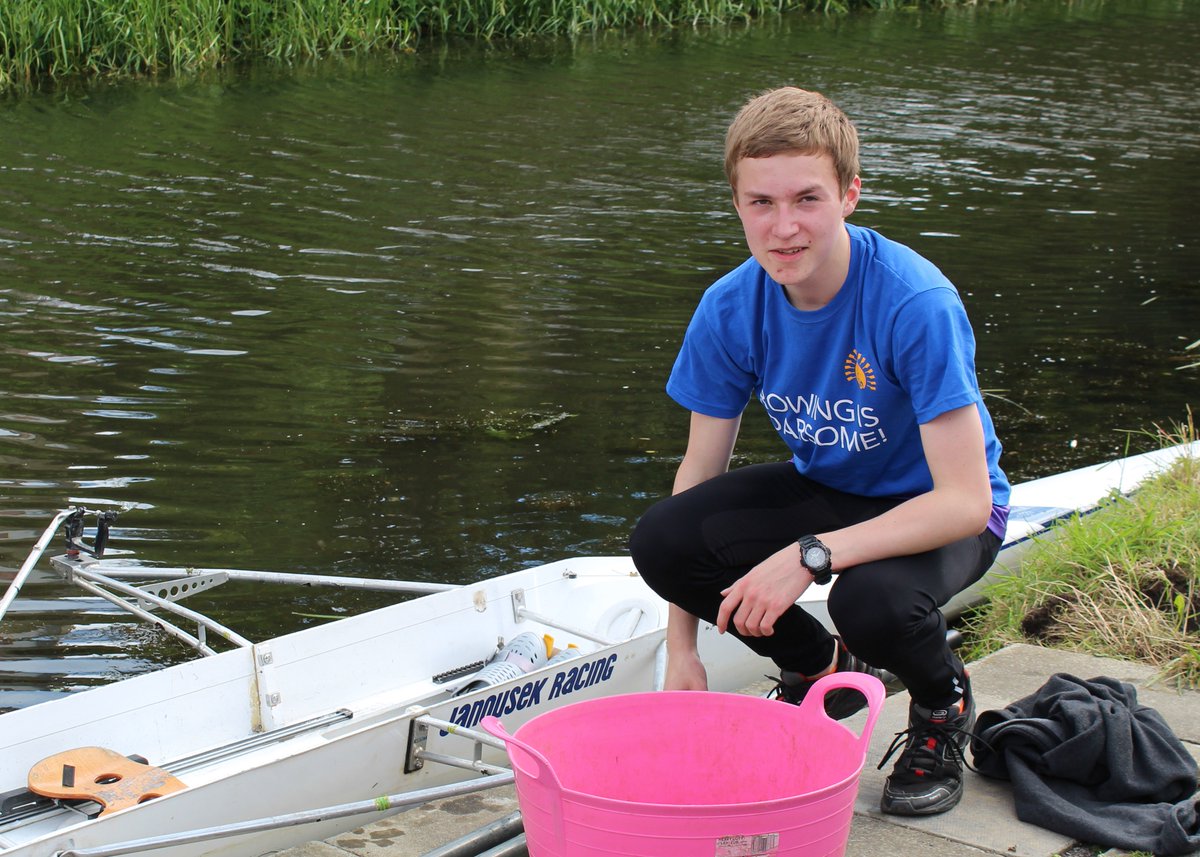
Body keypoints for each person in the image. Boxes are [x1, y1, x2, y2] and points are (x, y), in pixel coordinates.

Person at [628, 86, 1010, 817]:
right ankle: (813, 662)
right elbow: (698, 473)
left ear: (850, 194)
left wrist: (808, 553)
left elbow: (964, 499)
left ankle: (940, 702)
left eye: (807, 198)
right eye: (760, 203)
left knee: (872, 601)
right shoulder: (730, 307)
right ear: (736, 204)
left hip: (942, 507)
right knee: (662, 538)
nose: (784, 228)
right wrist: (681, 648)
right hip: (834, 486)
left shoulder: (912, 301)